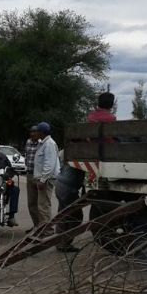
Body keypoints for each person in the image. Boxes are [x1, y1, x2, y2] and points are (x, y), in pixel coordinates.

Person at [54, 92, 118, 251]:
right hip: (68, 188)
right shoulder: (111, 121)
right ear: (112, 104)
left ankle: (60, 241)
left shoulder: (90, 120)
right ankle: (62, 244)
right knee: (73, 216)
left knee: (64, 213)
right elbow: (111, 141)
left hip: (61, 185)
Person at [33, 122, 60, 229]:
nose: (35, 133)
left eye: (37, 131)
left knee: (43, 206)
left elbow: (49, 164)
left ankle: (46, 230)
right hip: (44, 179)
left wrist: (42, 180)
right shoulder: (44, 143)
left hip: (46, 180)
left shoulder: (49, 144)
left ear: (41, 132)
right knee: (42, 205)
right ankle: (43, 228)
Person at [24, 125, 40, 233]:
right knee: (31, 203)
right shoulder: (28, 142)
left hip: (39, 175)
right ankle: (36, 225)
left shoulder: (42, 143)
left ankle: (44, 227)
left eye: (35, 132)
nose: (33, 134)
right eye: (31, 132)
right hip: (29, 175)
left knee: (42, 204)